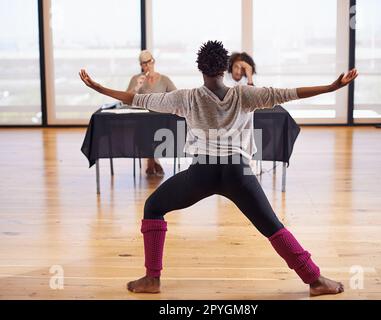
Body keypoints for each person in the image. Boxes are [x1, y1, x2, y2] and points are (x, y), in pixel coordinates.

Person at [79, 40, 358, 296]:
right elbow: (288, 93)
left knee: (153, 208)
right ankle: (315, 280)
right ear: (225, 68)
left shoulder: (186, 98)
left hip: (201, 173)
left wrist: (99, 88)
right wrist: (332, 87)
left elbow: (135, 99)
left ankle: (152, 279)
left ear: (200, 69)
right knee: (272, 226)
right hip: (238, 173)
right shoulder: (245, 95)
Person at [126, 50, 177, 176]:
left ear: (153, 61)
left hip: (161, 120)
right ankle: (155, 160)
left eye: (149, 62)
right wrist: (137, 87)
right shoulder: (136, 79)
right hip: (143, 121)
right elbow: (126, 100)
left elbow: (176, 96)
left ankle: (151, 160)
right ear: (141, 65)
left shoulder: (164, 79)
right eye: (144, 63)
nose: (148, 65)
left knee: (156, 128)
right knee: (146, 128)